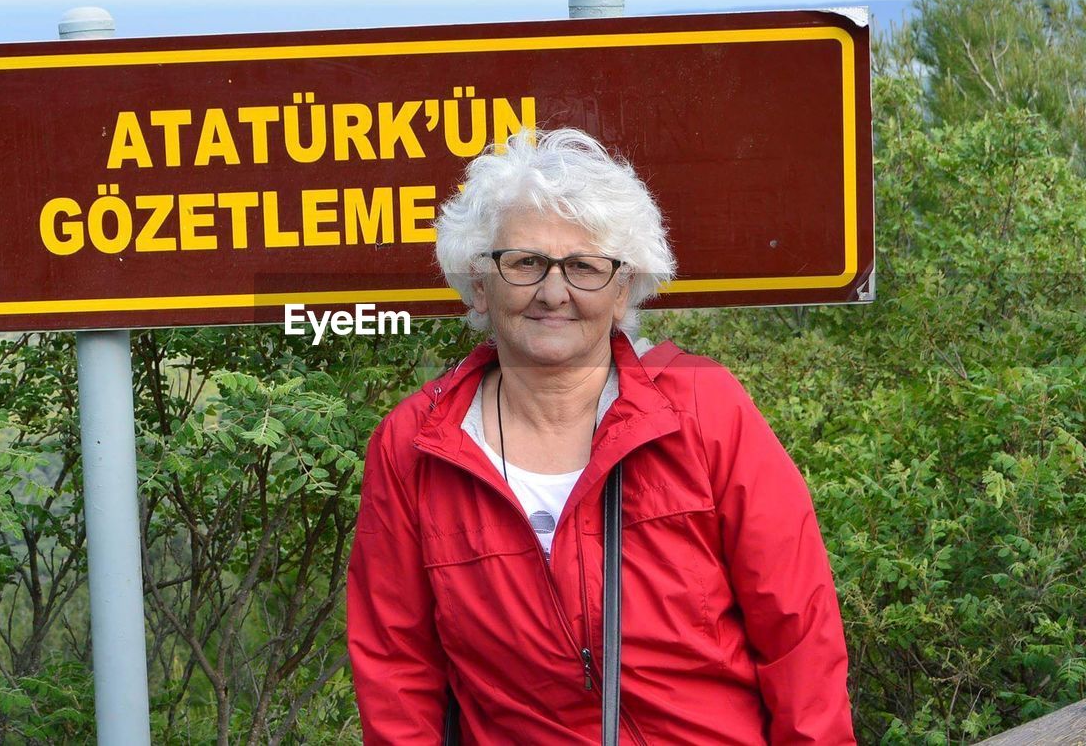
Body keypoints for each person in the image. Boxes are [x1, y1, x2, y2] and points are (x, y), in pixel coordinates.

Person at [346, 128, 855, 744]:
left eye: (585, 267)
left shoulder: (703, 410)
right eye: (525, 262)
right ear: (480, 283)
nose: (553, 292)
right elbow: (397, 672)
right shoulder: (414, 445)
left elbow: (799, 634)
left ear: (622, 293)